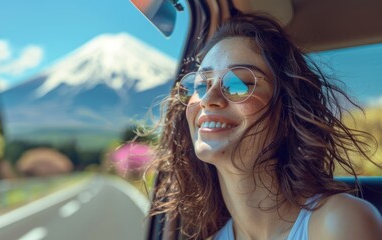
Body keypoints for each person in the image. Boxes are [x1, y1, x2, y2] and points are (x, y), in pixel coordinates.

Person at [146, 13, 382, 240]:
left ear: (287, 109)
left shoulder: (340, 222)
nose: (208, 98)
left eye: (239, 84)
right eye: (200, 85)